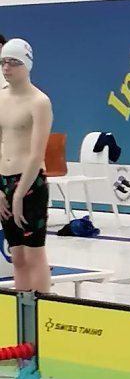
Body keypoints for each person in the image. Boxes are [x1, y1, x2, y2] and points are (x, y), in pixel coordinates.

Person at [0, 39, 53, 293]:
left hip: (31, 182)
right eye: (3, 62)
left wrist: (20, 193)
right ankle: (24, 322)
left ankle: (43, 315)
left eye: (13, 62)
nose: (6, 67)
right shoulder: (0, 98)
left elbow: (36, 153)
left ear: (27, 65)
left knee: (34, 255)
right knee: (17, 256)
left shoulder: (39, 102)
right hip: (4, 181)